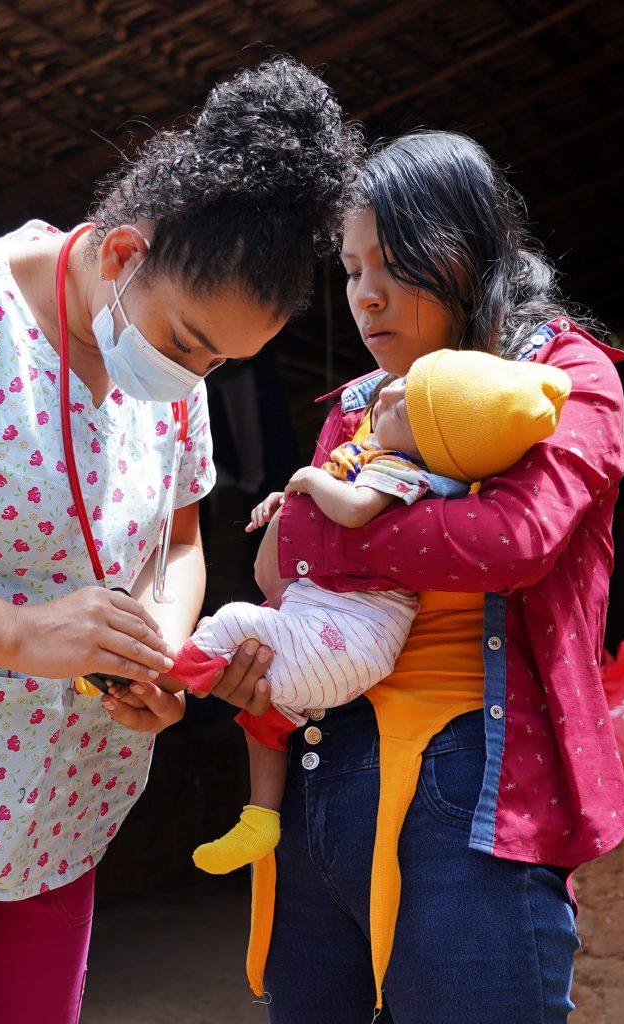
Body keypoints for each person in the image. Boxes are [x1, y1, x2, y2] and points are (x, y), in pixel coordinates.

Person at [0, 57, 362, 1024]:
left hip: (60, 826)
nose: (195, 376)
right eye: (187, 343)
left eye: (223, 361)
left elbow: (180, 539)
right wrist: (17, 636)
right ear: (122, 251)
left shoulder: (173, 383)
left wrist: (154, 649)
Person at [244, 131, 624, 1024]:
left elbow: (515, 538)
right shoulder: (357, 404)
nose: (365, 295)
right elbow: (277, 573)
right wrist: (319, 537)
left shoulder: (561, 375)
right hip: (325, 767)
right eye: (349, 270)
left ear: (468, 252)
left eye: (393, 263)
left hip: (475, 784)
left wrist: (319, 522)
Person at [147, 350, 570, 879]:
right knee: (265, 718)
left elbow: (349, 510)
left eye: (402, 410)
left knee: (232, 620)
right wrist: (294, 501)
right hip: (346, 654)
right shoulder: (392, 465)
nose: (385, 397)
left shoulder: (404, 470)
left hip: (341, 636)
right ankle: (261, 817)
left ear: (431, 443)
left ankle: (152, 674)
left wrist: (305, 478)